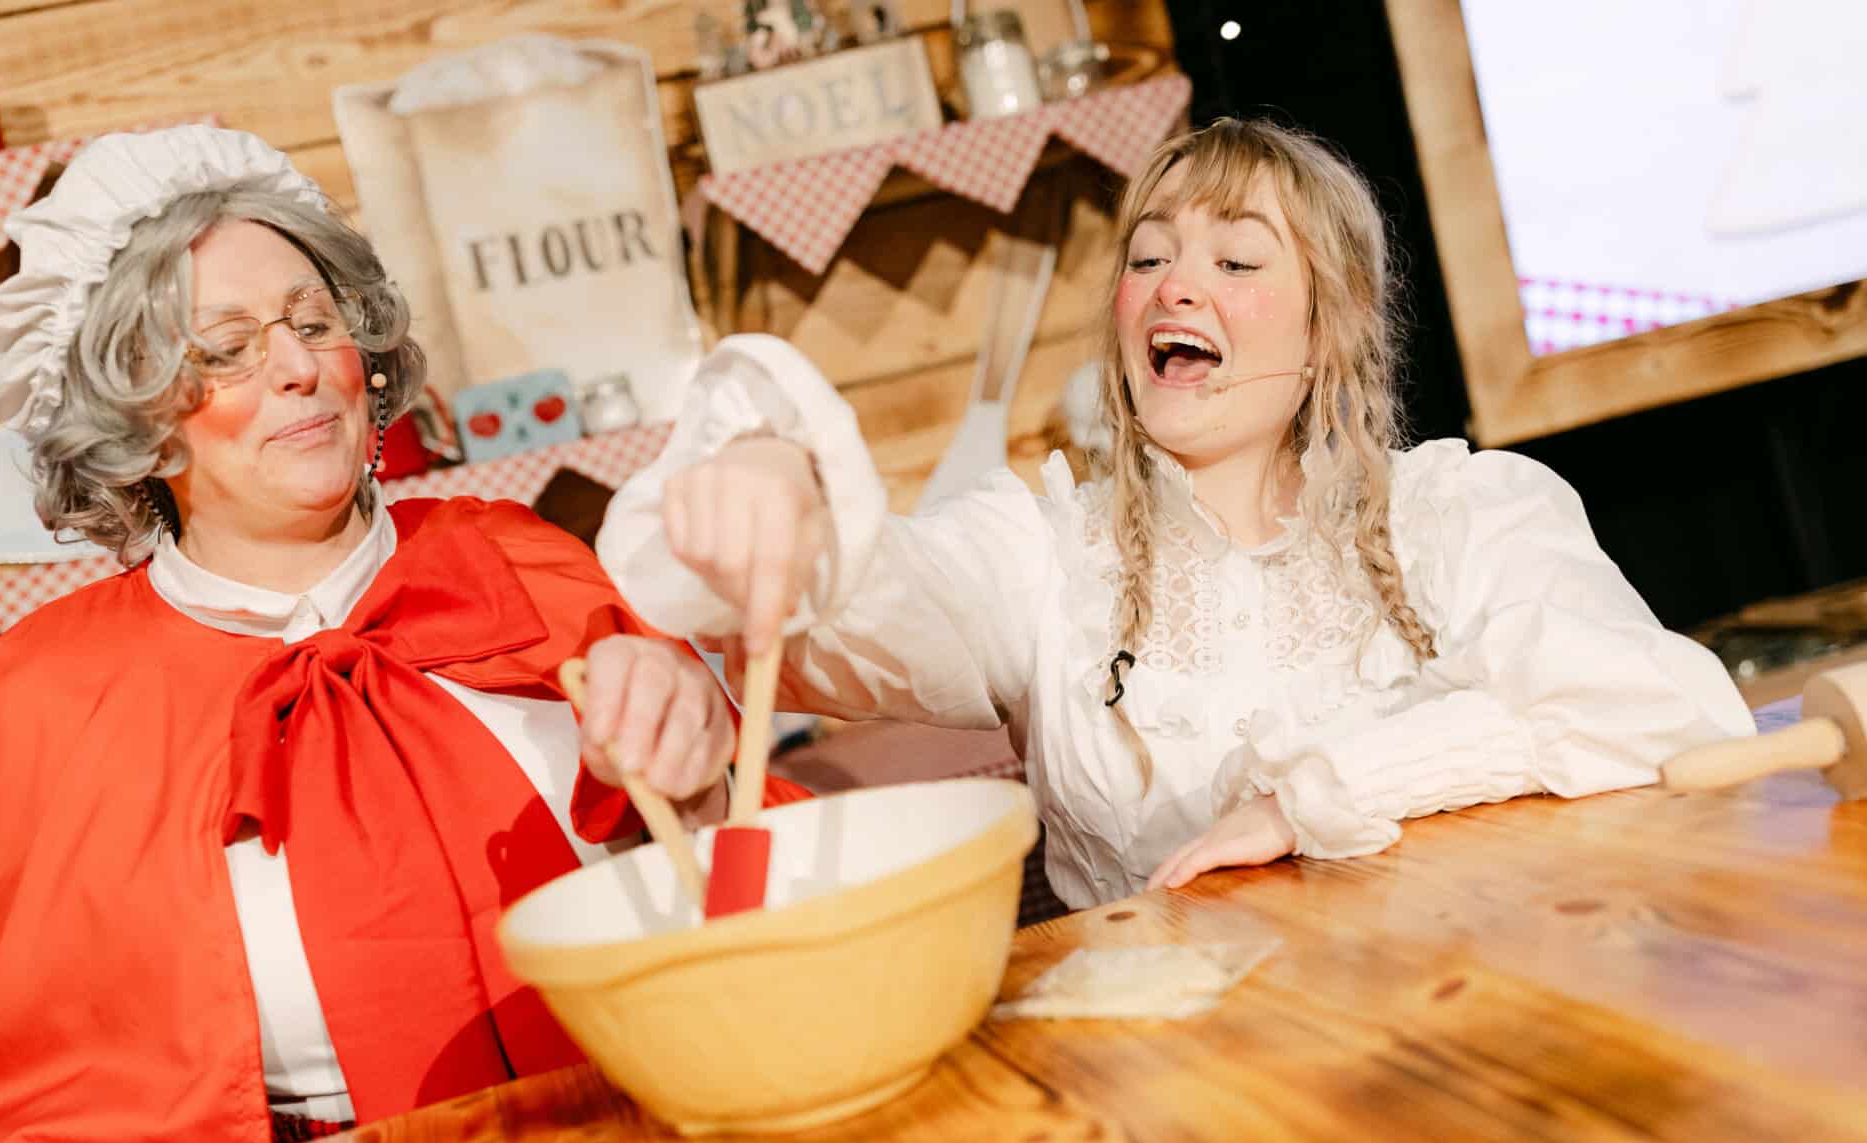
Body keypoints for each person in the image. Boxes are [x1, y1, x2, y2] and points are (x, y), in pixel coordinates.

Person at [0, 125, 796, 1143]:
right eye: (224, 350)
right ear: (137, 425)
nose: (294, 367)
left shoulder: (515, 558)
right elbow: (37, 1061)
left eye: (313, 321)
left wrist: (697, 777)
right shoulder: (42, 694)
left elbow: (752, 893)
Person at [597, 116, 1754, 909]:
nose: (1174, 286)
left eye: (1236, 262)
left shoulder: (1465, 513)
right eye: (1147, 257)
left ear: (1328, 332)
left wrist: (1318, 801)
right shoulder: (1041, 554)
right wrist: (772, 464)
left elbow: (1663, 708)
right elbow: (848, 614)